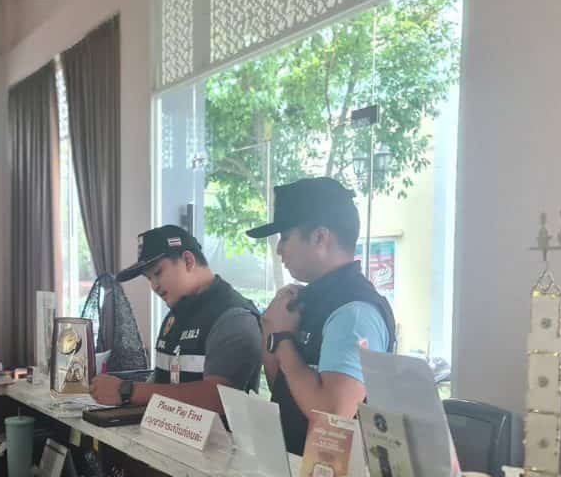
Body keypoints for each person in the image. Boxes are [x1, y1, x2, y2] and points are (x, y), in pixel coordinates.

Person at [248, 177, 396, 454]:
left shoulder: (354, 312)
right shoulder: (308, 300)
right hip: (295, 464)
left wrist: (282, 339)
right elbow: (284, 389)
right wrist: (271, 330)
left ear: (319, 237)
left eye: (285, 238)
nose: (279, 250)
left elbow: (333, 416)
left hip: (336, 476)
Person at [90, 225, 263, 414]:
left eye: (158, 273)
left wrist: (128, 391)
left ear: (188, 261)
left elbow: (219, 398)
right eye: (149, 278)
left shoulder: (233, 317)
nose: (154, 286)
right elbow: (162, 384)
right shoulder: (175, 315)